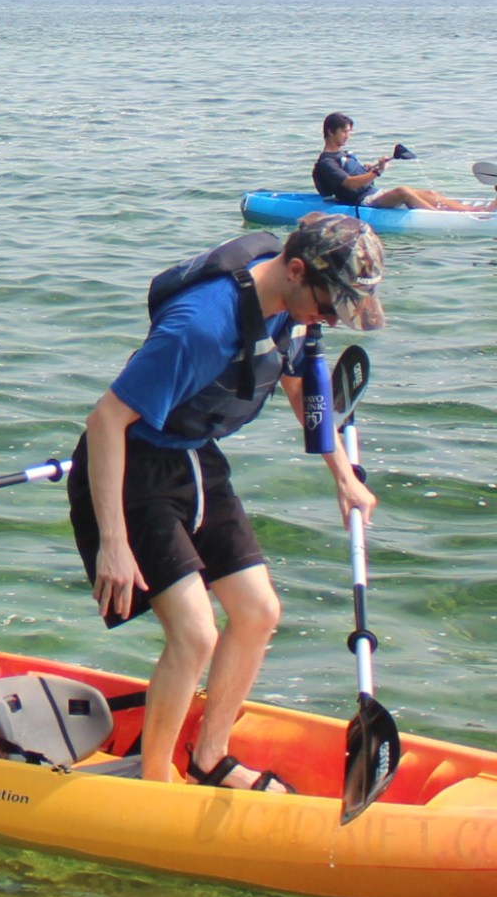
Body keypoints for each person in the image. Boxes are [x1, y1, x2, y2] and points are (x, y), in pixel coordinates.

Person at [69, 215, 382, 791]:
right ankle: (155, 782)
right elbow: (107, 419)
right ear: (294, 271)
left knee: (259, 612)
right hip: (132, 468)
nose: (333, 320)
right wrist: (113, 542)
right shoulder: (200, 327)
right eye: (330, 305)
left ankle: (209, 758)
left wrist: (342, 474)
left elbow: (293, 379)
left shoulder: (291, 302)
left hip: (196, 458)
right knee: (195, 634)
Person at [313, 113, 493, 214]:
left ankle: (479, 210)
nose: (348, 135)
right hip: (363, 201)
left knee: (430, 193)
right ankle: (441, 218)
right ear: (330, 131)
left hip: (373, 193)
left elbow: (356, 176)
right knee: (403, 191)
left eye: (349, 132)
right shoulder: (326, 162)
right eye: (344, 132)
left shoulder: (343, 154)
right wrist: (377, 173)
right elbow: (350, 183)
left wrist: (370, 169)